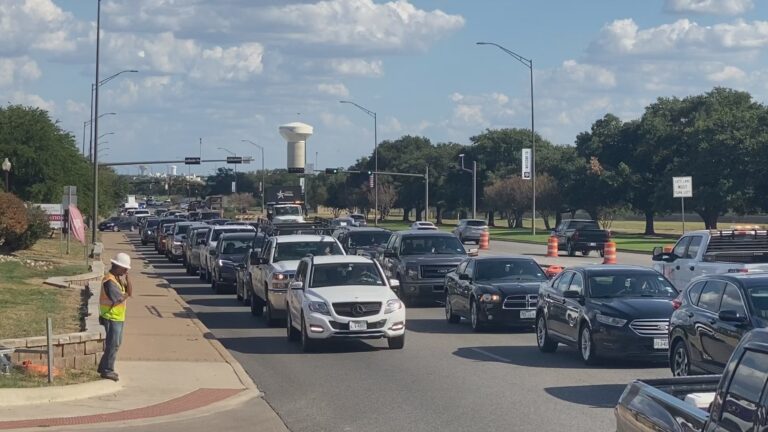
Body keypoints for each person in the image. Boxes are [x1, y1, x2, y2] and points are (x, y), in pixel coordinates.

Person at [98, 252, 132, 381]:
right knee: (113, 344)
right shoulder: (110, 281)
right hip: (110, 317)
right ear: (117, 266)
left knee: (115, 344)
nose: (126, 270)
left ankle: (103, 366)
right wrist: (126, 294)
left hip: (118, 317)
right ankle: (107, 370)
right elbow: (118, 299)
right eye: (124, 268)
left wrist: (128, 281)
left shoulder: (117, 278)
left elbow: (130, 292)